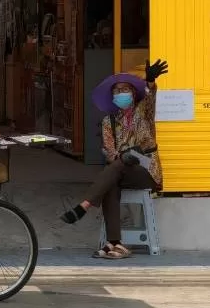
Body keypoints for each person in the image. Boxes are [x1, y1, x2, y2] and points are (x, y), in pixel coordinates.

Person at [63, 59, 168, 259]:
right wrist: (122, 156)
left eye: (125, 89)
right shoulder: (108, 122)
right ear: (112, 97)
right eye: (117, 91)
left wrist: (151, 80)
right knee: (113, 178)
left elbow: (150, 97)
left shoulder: (143, 112)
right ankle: (115, 243)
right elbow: (109, 152)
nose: (121, 94)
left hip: (146, 170)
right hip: (123, 168)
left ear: (134, 94)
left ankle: (85, 205)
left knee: (117, 167)